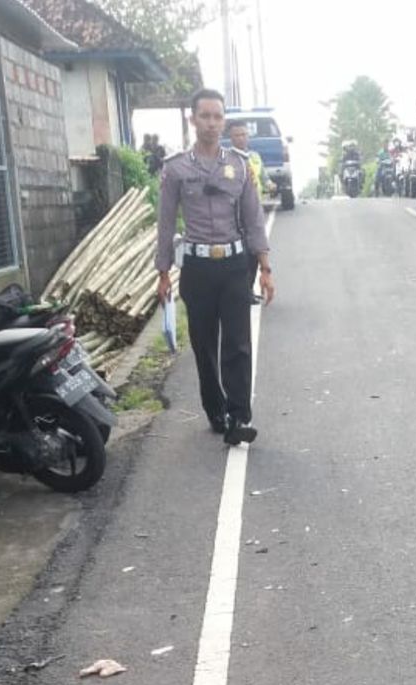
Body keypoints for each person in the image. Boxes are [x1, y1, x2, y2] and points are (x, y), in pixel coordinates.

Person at [155, 89, 275, 445]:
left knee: (238, 343)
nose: (211, 123)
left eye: (217, 116)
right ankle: (215, 409)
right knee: (204, 345)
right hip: (197, 267)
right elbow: (165, 224)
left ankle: (240, 417)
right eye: (205, 116)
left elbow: (254, 220)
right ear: (193, 120)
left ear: (224, 121)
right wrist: (163, 274)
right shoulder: (175, 168)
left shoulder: (239, 165)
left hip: (236, 265)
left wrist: (266, 268)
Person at [225, 119, 266, 200]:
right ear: (231, 137)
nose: (241, 138)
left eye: (243, 134)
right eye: (237, 135)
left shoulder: (255, 156)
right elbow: (228, 182)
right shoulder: (226, 159)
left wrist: (269, 185)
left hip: (257, 203)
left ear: (248, 136)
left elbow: (264, 178)